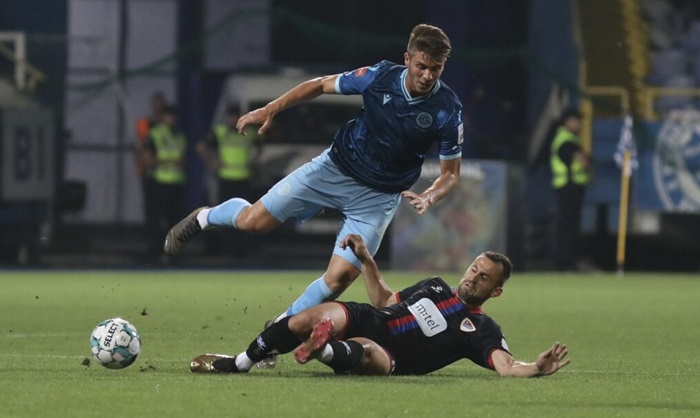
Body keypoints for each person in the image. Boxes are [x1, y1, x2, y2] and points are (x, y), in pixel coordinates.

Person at [164, 24, 463, 330]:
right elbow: (320, 85)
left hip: (377, 198)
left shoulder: (448, 109)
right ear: (407, 59)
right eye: (421, 66)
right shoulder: (379, 77)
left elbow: (450, 174)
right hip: (333, 169)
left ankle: (280, 328)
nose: (427, 76)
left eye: (436, 69)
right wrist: (270, 109)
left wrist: (430, 196)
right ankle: (204, 217)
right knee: (254, 222)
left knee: (339, 279)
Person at [189, 234, 570, 377]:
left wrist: (537, 368)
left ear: (496, 291)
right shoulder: (436, 286)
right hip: (370, 318)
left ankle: (323, 350)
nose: (473, 277)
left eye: (484, 278)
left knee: (367, 353)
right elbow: (386, 300)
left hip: (393, 356)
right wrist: (367, 260)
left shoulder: (483, 330)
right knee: (307, 317)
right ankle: (242, 362)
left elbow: (506, 367)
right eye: (474, 269)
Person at [142, 105, 188, 259]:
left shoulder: (180, 136)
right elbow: (147, 159)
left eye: (173, 116)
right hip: (160, 182)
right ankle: (156, 251)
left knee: (175, 221)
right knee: (157, 220)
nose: (171, 119)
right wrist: (171, 162)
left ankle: (173, 253)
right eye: (168, 116)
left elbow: (183, 159)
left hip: (177, 183)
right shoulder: (155, 134)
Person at [550, 108, 591, 271]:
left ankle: (566, 262)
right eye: (576, 120)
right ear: (568, 121)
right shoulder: (566, 140)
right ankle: (566, 263)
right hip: (569, 186)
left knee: (567, 226)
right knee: (568, 227)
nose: (579, 123)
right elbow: (582, 161)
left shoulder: (568, 138)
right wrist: (587, 162)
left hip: (569, 186)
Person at [195, 104, 263, 204]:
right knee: (225, 206)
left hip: (244, 176)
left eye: (236, 117)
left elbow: (260, 146)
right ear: (228, 118)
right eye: (232, 117)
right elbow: (201, 147)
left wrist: (254, 161)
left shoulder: (249, 133)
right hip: (225, 175)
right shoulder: (220, 132)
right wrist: (211, 162)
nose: (234, 120)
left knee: (243, 207)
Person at [135, 91, 167, 259]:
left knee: (166, 214)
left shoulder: (168, 126)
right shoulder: (145, 124)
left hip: (166, 175)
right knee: (153, 214)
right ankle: (154, 246)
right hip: (152, 174)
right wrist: (141, 165)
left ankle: (166, 247)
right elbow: (140, 147)